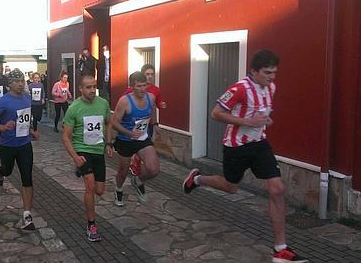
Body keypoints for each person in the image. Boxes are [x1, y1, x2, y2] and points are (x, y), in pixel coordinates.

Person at [182, 50, 307, 263]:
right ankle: (197, 179)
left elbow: (261, 111)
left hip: (259, 145)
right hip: (236, 147)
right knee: (231, 187)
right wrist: (248, 122)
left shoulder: (271, 88)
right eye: (267, 73)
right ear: (254, 71)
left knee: (277, 189)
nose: (272, 77)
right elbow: (216, 113)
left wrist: (265, 120)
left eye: (274, 73)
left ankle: (280, 250)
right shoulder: (239, 89)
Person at [62, 75, 113, 242]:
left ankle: (81, 171)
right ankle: (91, 224)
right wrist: (75, 157)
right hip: (82, 150)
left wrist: (108, 143)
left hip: (98, 150)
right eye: (88, 87)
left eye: (94, 87)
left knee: (100, 190)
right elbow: (66, 137)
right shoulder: (74, 108)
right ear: (81, 89)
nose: (92, 90)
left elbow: (108, 122)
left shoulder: (103, 103)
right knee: (90, 186)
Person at [0, 68, 39, 230]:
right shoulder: (3, 101)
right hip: (8, 145)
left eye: (22, 81)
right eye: (17, 81)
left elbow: (24, 120)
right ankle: (0, 172)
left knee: (27, 177)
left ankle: (27, 215)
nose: (20, 84)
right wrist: (3, 127)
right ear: (9, 84)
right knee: (8, 171)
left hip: (24, 144)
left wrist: (31, 131)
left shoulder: (27, 98)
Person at [111, 71, 159, 205]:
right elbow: (114, 122)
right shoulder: (125, 101)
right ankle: (118, 190)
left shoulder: (151, 97)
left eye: (144, 85)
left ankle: (137, 180)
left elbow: (153, 108)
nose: (142, 89)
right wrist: (129, 132)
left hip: (142, 138)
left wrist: (154, 123)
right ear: (132, 87)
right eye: (139, 86)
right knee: (123, 171)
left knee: (154, 169)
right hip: (125, 140)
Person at [125, 64, 167, 177]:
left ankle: (137, 163)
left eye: (152, 74)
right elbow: (124, 105)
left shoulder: (155, 90)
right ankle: (134, 161)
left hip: (148, 124)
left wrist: (156, 122)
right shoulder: (131, 89)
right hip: (133, 124)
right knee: (135, 146)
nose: (150, 77)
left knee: (146, 146)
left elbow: (155, 106)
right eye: (147, 74)